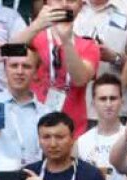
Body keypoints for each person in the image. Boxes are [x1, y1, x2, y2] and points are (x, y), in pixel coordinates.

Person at [19, 0, 99, 136]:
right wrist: (36, 25)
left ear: (80, 6)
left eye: (71, 1)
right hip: (34, 124)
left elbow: (80, 79)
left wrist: (66, 40)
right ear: (47, 3)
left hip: (72, 128)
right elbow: (6, 53)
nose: (64, 4)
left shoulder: (88, 45)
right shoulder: (34, 38)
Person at [76, 73, 127, 180]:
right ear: (93, 103)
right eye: (103, 99)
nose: (108, 104)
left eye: (113, 98)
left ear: (122, 101)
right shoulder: (81, 142)